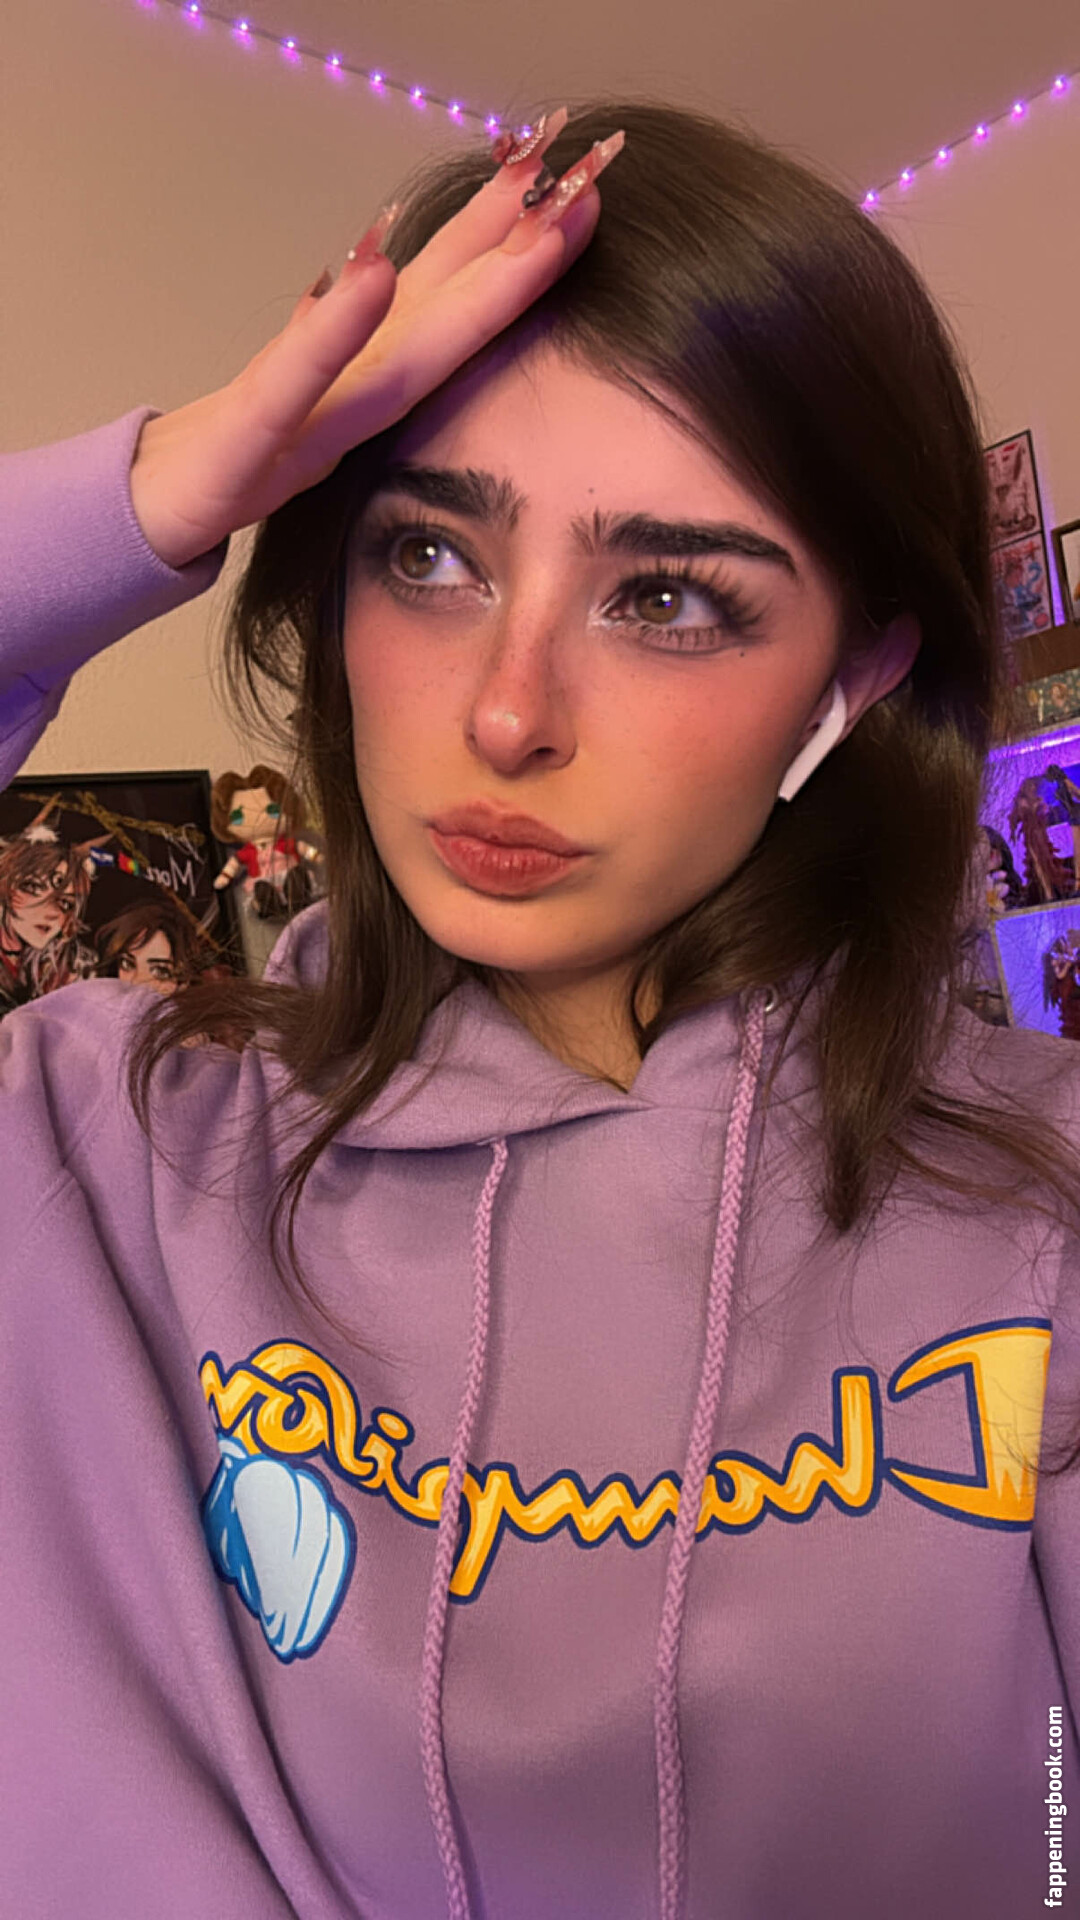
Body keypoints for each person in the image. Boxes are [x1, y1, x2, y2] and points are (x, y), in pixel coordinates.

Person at [2, 100, 1078, 1920]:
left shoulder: (1038, 1200)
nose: (507, 712)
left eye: (665, 597)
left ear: (856, 672)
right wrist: (168, 487)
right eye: (428, 555)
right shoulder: (92, 1143)